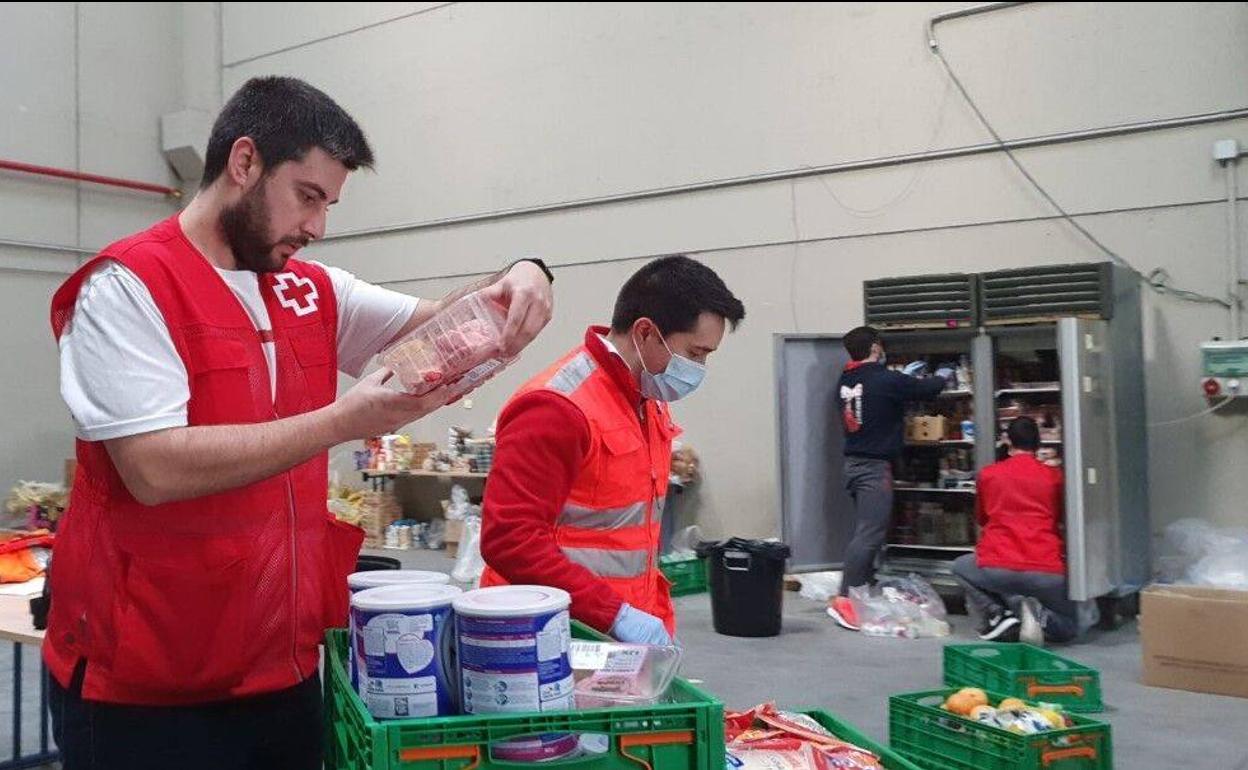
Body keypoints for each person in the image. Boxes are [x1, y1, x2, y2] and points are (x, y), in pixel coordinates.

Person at [46, 76, 555, 770]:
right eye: (308, 196)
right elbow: (153, 468)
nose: (317, 227)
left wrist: (519, 277)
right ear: (244, 162)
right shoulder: (128, 287)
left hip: (278, 669)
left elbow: (441, 326)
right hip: (144, 684)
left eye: (328, 205)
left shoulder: (310, 291)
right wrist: (340, 421)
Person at [479, 256, 745, 645]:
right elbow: (511, 540)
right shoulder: (557, 407)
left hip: (615, 635)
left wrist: (646, 618)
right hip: (548, 635)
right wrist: (614, 615)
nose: (699, 368)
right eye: (694, 353)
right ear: (645, 332)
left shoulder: (647, 399)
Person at [827, 326, 947, 631]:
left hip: (853, 463)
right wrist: (942, 375)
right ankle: (845, 600)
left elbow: (875, 400)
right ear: (875, 347)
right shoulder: (885, 379)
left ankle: (862, 592)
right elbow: (927, 390)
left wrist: (902, 378)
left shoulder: (846, 380)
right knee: (869, 534)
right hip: (874, 468)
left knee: (865, 531)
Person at [952, 417, 1078, 644]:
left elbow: (981, 518)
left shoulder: (989, 474)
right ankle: (1040, 615)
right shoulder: (1054, 477)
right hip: (1046, 570)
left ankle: (999, 614)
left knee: (960, 567)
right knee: (1069, 626)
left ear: (1008, 441)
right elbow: (1063, 519)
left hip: (997, 566)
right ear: (1038, 443)